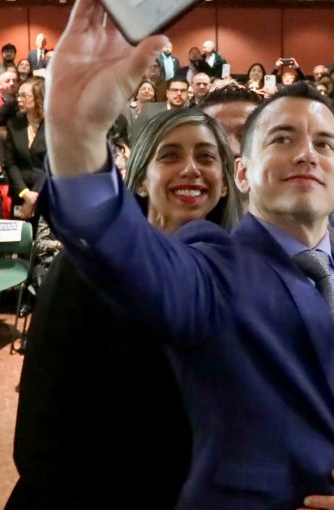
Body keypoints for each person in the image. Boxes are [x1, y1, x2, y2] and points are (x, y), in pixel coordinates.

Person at [42, 0, 334, 509]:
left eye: (325, 143)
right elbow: (122, 248)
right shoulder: (213, 267)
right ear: (242, 173)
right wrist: (75, 134)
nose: (307, 152)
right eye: (282, 138)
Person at [10, 108, 241, 510]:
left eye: (206, 157)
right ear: (139, 179)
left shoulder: (243, 281)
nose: (191, 169)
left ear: (224, 183)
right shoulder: (84, 269)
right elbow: (40, 432)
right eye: (169, 156)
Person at [6, 78, 46, 221]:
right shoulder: (14, 125)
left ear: (39, 98)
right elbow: (10, 163)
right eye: (18, 95)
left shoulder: (55, 128)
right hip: (20, 195)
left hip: (46, 196)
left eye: (24, 95)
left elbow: (52, 167)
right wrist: (25, 194)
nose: (19, 100)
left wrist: (34, 196)